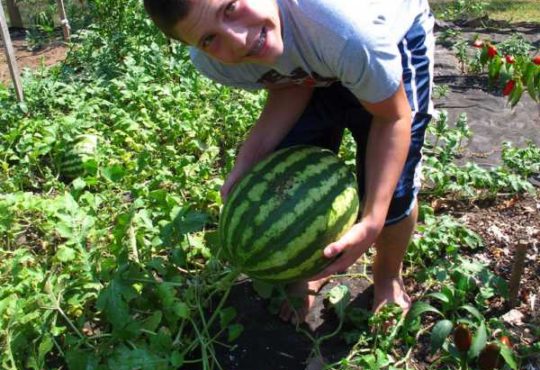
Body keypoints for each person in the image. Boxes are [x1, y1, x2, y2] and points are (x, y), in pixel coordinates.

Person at [144, 0, 435, 323]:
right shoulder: (216, 62)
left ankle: (386, 276)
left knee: (392, 194)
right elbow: (289, 80)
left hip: (388, 42)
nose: (238, 39)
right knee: (294, 159)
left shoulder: (347, 29)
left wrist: (372, 220)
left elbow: (392, 118)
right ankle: (311, 269)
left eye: (230, 7)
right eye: (209, 39)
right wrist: (247, 161)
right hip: (324, 50)